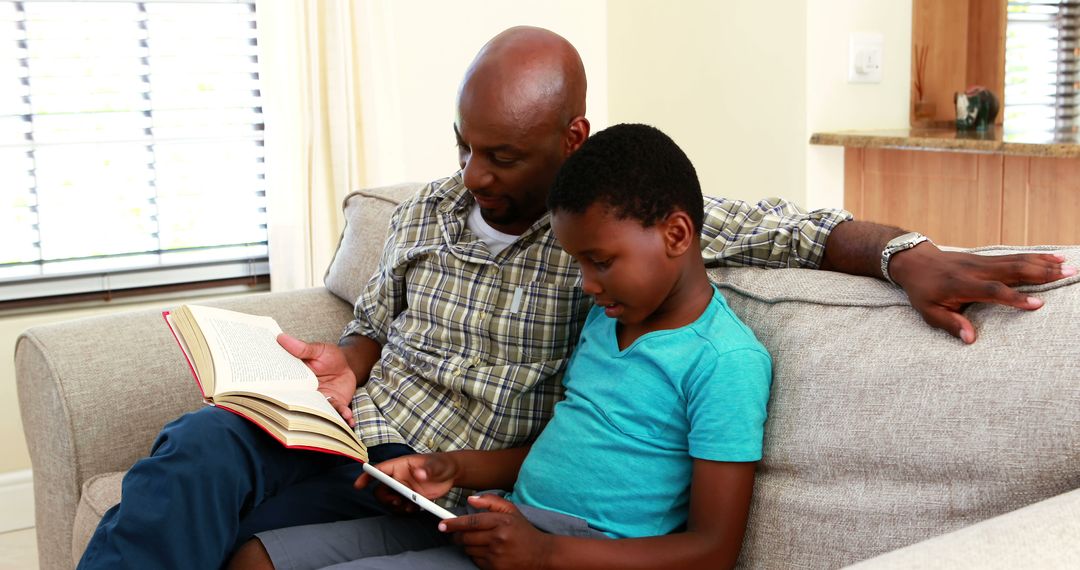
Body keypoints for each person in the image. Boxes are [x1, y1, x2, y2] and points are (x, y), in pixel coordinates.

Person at [78, 26, 1074, 570]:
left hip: (441, 490)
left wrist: (909, 254)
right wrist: (346, 367)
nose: (471, 173)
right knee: (201, 445)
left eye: (500, 155)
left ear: (571, 137)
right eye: (463, 144)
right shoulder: (426, 209)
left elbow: (795, 227)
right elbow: (372, 321)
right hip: (357, 438)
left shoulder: (603, 234)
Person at [231, 122, 771, 570]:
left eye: (600, 261)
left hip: (574, 556)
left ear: (677, 235)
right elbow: (566, 450)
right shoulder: (609, 319)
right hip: (508, 525)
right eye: (578, 262)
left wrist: (546, 553)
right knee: (257, 558)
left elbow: (712, 551)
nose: (585, 283)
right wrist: (450, 468)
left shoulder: (725, 362)